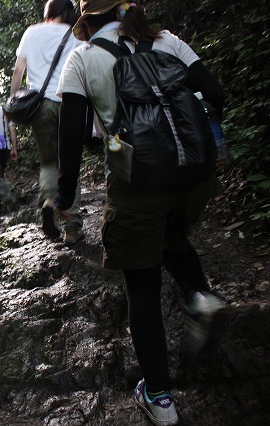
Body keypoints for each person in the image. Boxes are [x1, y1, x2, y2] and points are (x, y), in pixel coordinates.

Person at [53, 1, 227, 425]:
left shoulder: (82, 58)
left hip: (139, 181)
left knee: (143, 287)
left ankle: (160, 399)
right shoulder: (167, 41)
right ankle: (199, 297)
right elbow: (217, 95)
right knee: (171, 235)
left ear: (87, 19)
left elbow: (72, 135)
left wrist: (66, 195)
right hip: (195, 176)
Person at [10, 0, 84, 245]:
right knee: (70, 159)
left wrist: (13, 102)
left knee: (49, 161)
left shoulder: (31, 32)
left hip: (41, 107)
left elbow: (19, 71)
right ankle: (71, 226)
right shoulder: (75, 33)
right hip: (70, 102)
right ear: (68, 13)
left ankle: (49, 200)